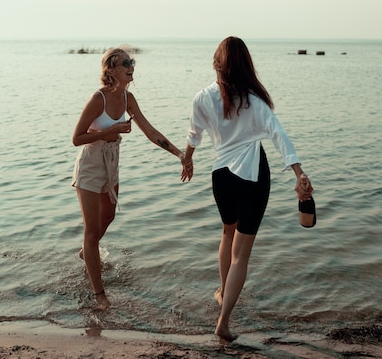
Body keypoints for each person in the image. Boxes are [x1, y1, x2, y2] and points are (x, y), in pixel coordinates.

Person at [180, 36, 313, 341]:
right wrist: (298, 173)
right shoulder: (255, 99)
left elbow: (194, 135)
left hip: (221, 177)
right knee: (241, 255)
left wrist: (187, 160)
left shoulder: (202, 97)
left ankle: (223, 293)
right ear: (245, 65)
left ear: (217, 65)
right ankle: (224, 322)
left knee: (228, 233)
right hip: (252, 175)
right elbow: (278, 135)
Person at [72, 47, 185, 310]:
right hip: (90, 164)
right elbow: (76, 138)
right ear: (111, 69)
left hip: (112, 162)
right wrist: (110, 130)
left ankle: (86, 254)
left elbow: (149, 129)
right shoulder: (97, 99)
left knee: (108, 217)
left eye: (132, 62)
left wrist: (179, 153)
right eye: (125, 63)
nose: (131, 66)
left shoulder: (128, 98)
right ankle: (99, 294)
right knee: (91, 231)